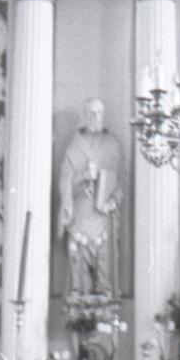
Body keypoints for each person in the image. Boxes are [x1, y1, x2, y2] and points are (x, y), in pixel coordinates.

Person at [56, 98, 125, 298]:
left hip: (104, 213)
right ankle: (80, 296)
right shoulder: (74, 146)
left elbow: (121, 179)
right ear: (84, 115)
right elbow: (65, 179)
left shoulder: (112, 144)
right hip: (81, 211)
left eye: (100, 113)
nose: (97, 117)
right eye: (92, 113)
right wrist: (83, 177)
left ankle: (104, 295)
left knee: (104, 259)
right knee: (79, 257)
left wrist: (114, 200)